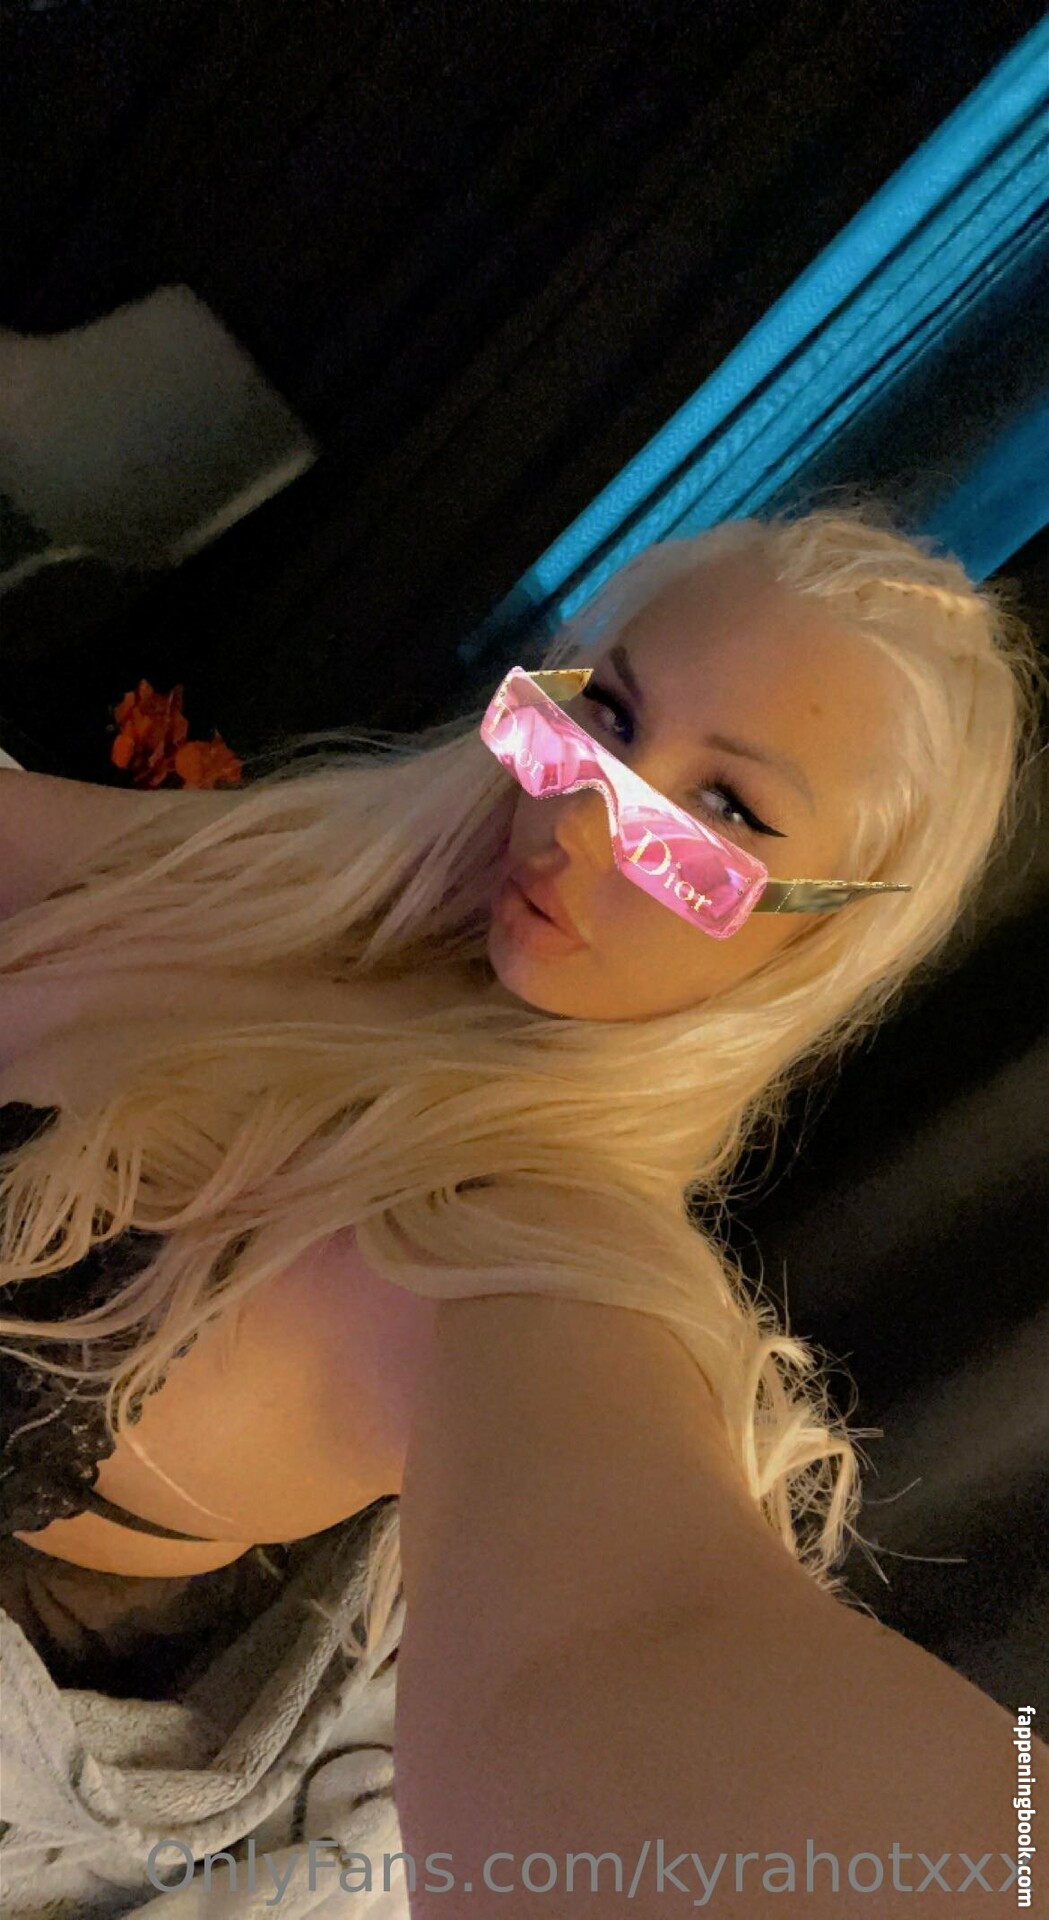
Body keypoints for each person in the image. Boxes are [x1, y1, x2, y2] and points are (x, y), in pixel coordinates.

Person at [1, 499, 1045, 1916]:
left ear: (827, 932)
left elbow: (633, 1643)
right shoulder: (301, 890)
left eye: (724, 814)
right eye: (606, 715)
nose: (575, 825)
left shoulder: (531, 1239)